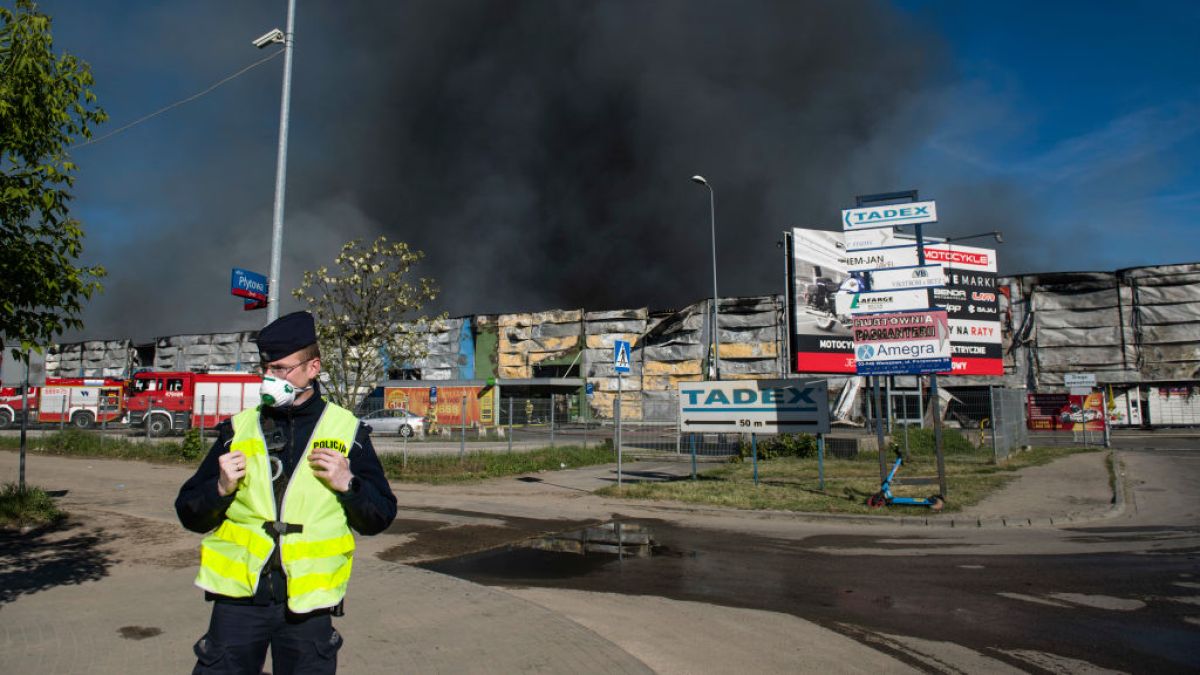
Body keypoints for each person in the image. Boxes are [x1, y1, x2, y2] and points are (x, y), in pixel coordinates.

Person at [176, 311, 397, 674]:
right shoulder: (238, 429)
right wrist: (219, 489)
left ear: (313, 367)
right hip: (239, 601)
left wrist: (350, 485)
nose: (271, 379)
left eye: (281, 369)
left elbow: (380, 517)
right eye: (267, 369)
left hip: (308, 608)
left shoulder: (348, 431)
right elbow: (188, 512)